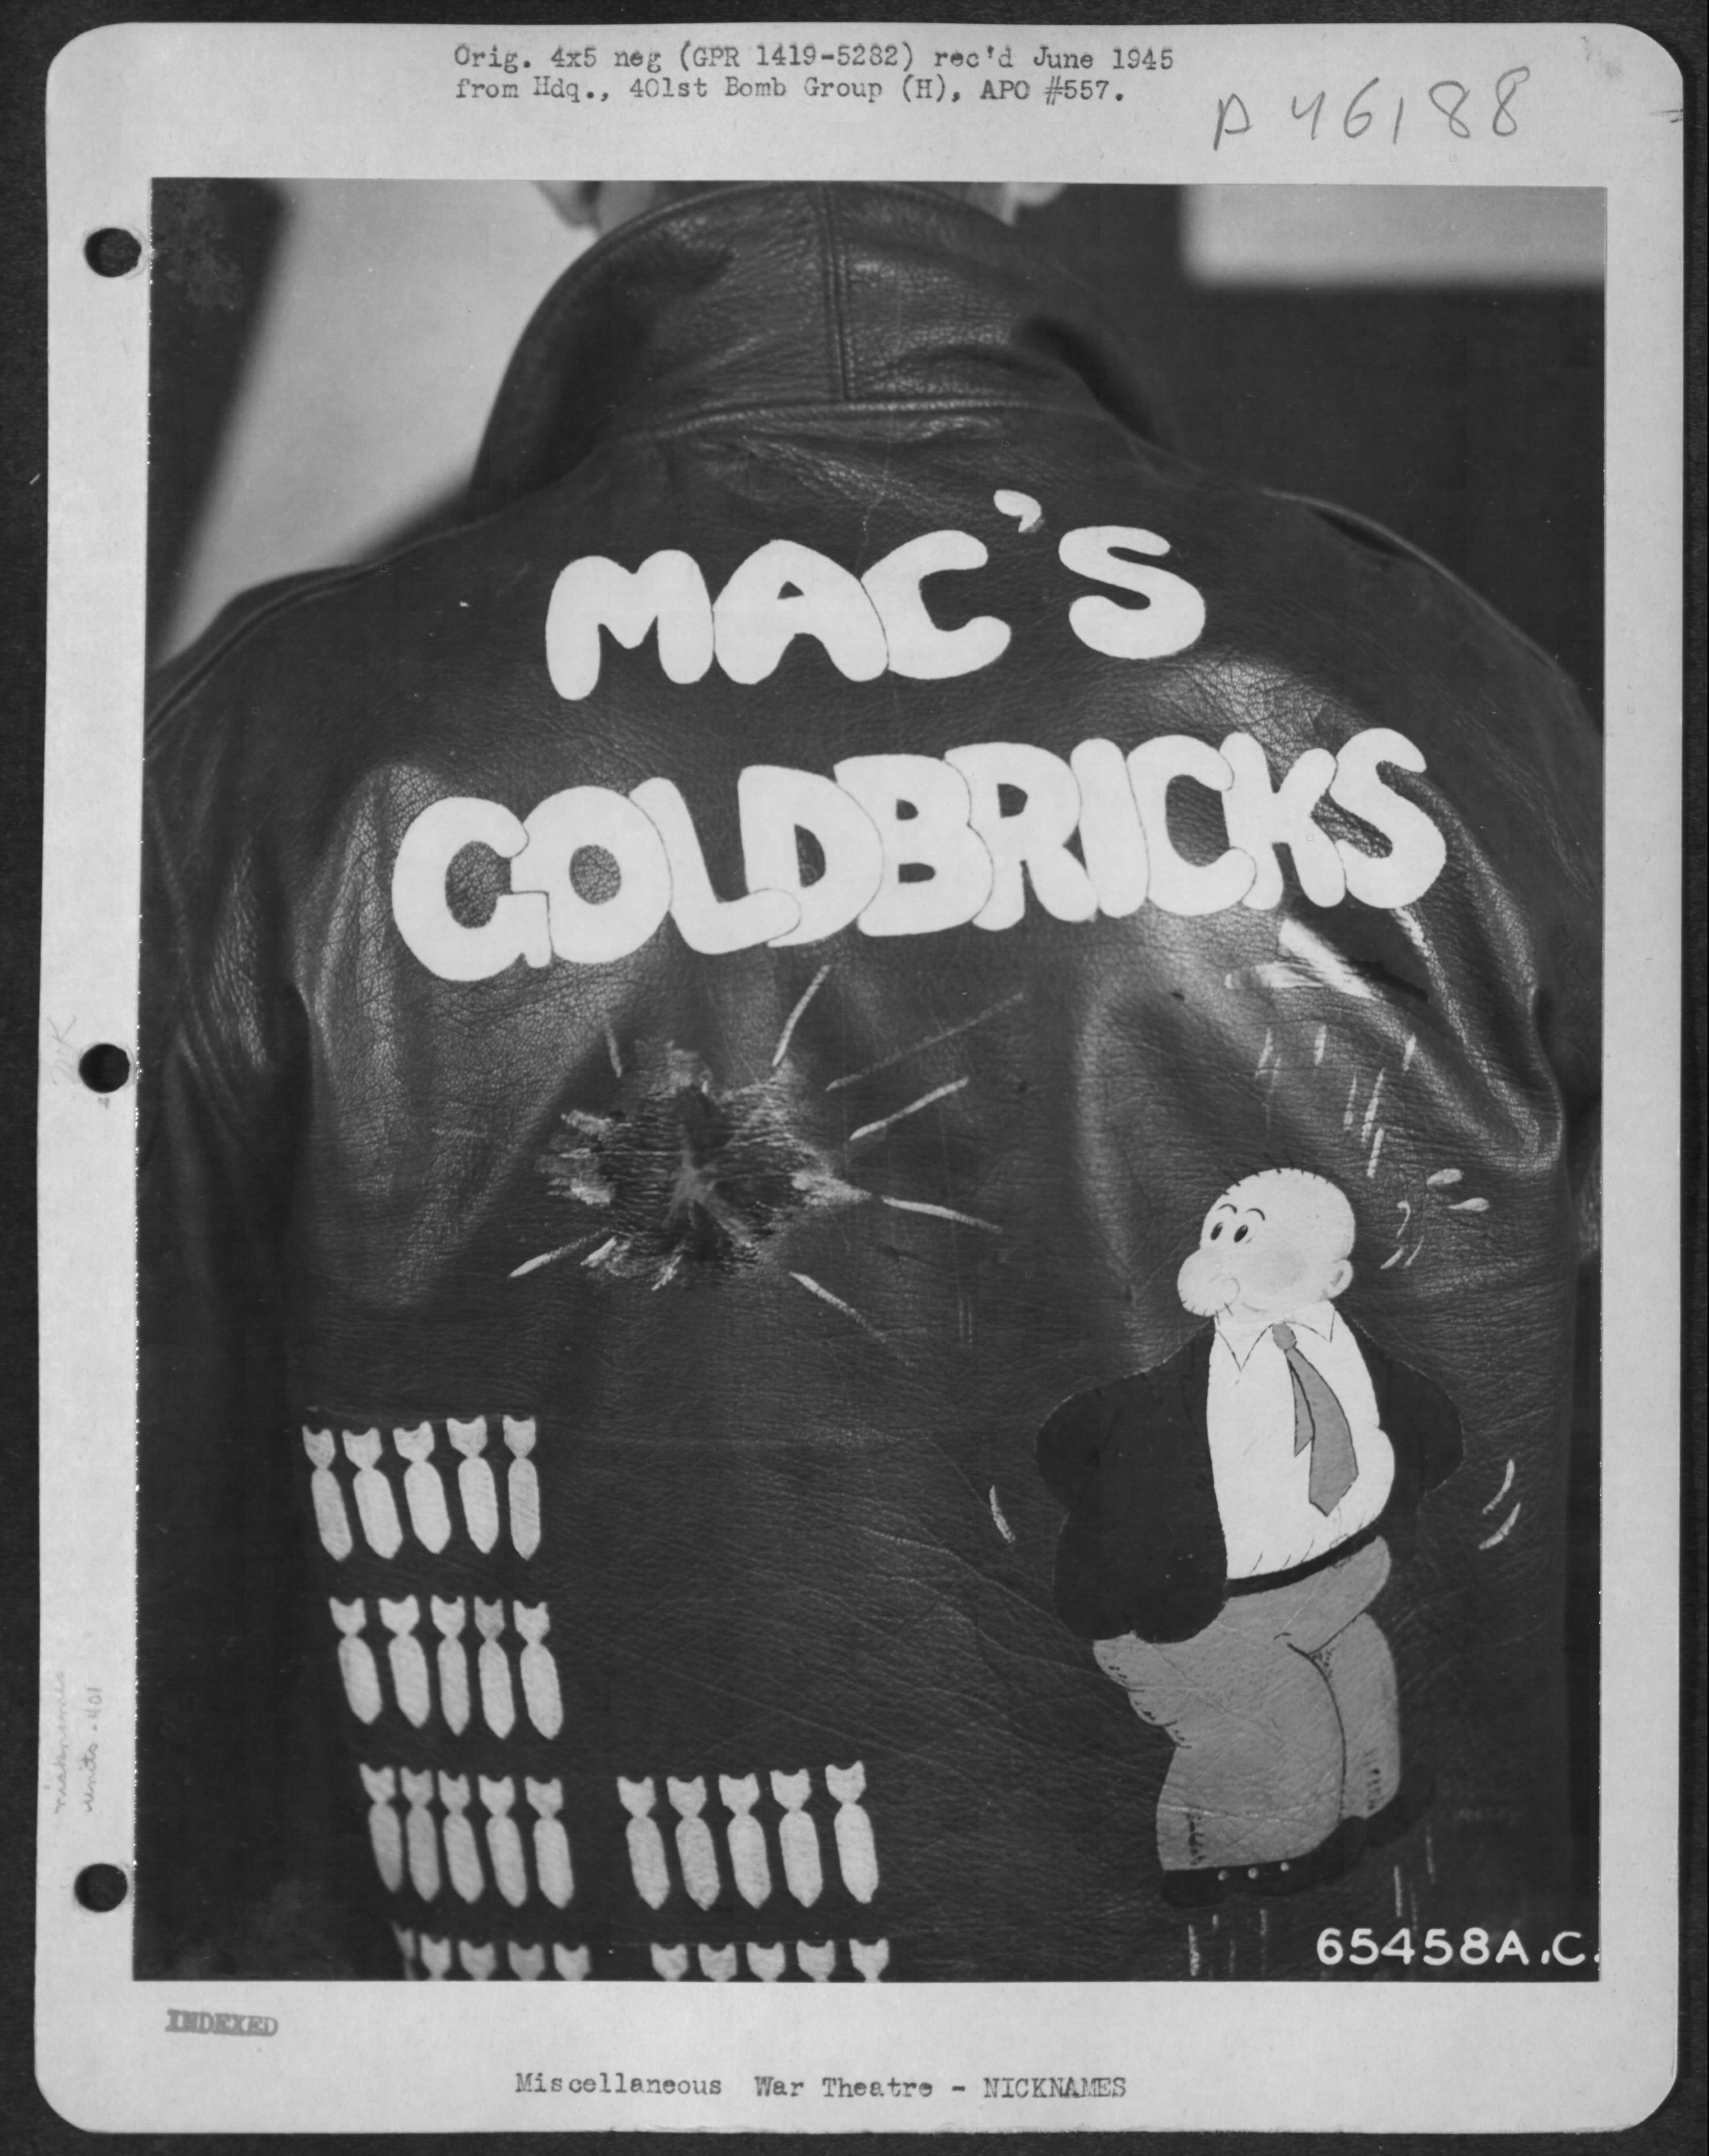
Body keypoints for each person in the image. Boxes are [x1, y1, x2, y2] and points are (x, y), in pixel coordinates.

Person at [139, 179, 1600, 1982]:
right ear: (1045, 138)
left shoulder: (268, 746)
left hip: (565, 2051)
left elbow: (136, 1643)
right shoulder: (1442, 678)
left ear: (557, 140)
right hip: (1343, 2045)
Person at [1037, 1168, 1462, 1905]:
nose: (1228, 1248)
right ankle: (1242, 1859)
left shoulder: (1341, 1344)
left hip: (1332, 1581)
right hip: (1200, 1613)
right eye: (1223, 1228)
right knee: (1274, 1712)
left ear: (1335, 1278)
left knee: (1361, 1670)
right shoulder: (1178, 1391)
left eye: (1252, 1233)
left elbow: (1417, 1419)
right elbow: (1074, 1445)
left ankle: (1365, 1809)